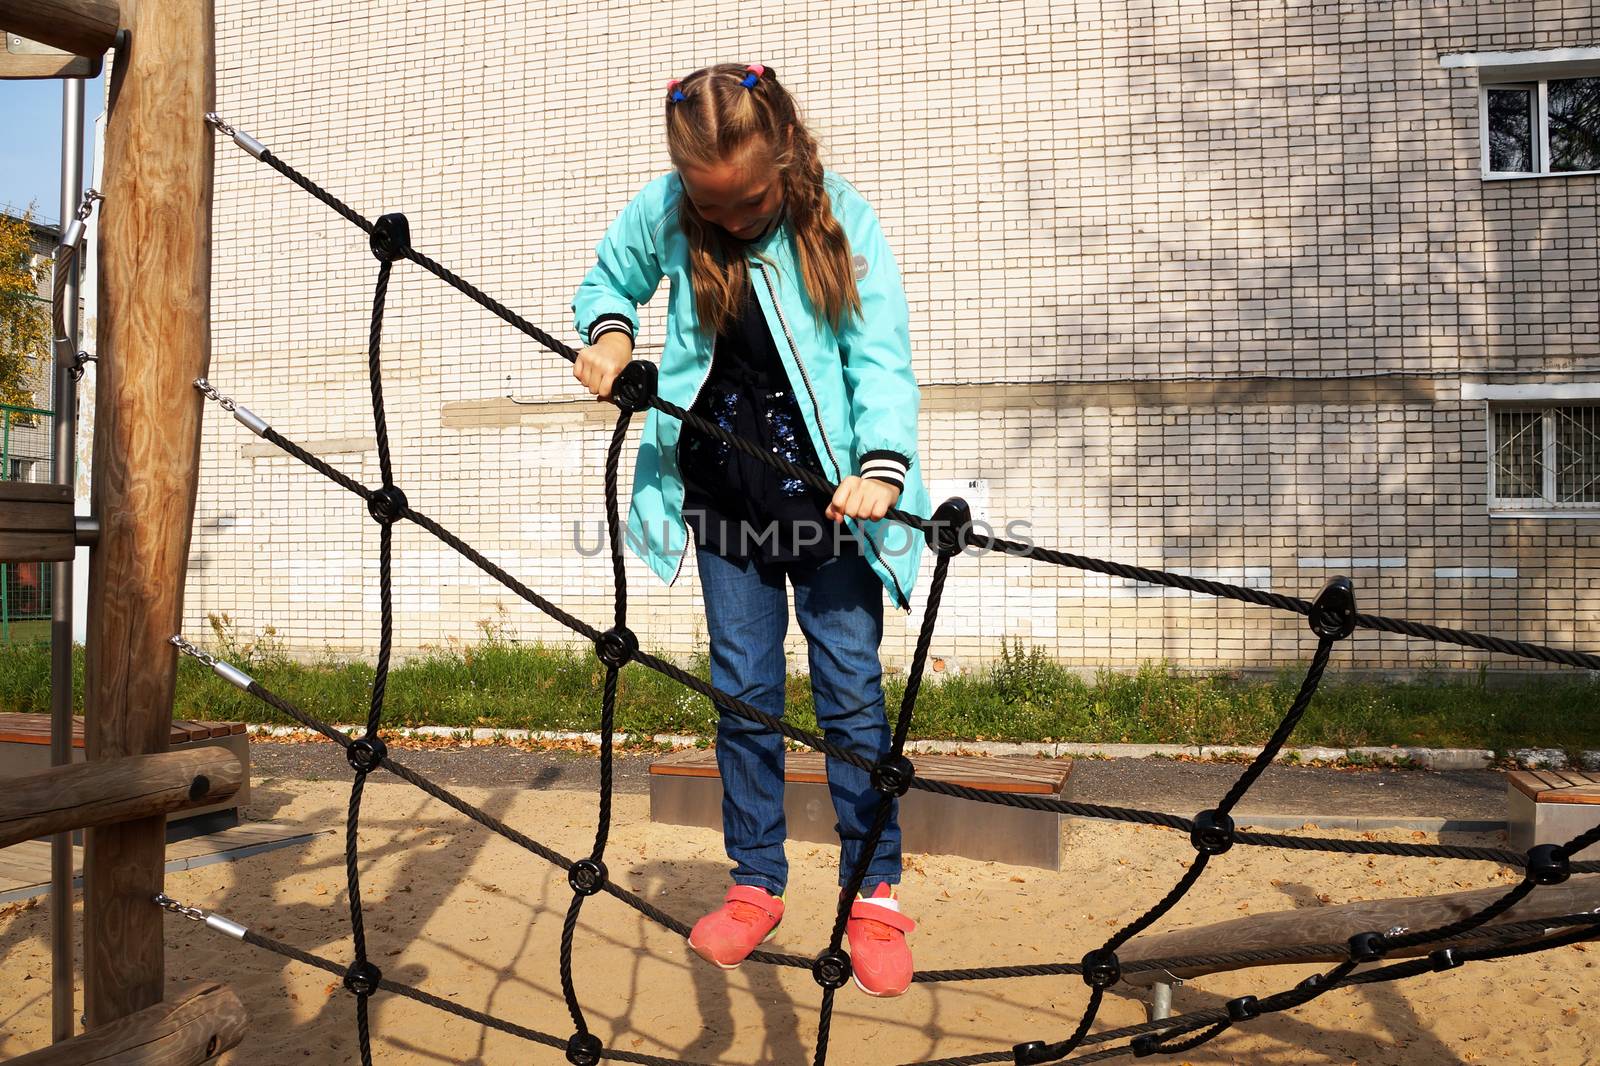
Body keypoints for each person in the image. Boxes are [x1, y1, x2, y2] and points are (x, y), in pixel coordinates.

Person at [570, 62, 930, 998]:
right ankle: (755, 881)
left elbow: (880, 356)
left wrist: (883, 467)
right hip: (723, 492)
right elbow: (612, 274)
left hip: (832, 499)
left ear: (787, 156)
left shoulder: (837, 219)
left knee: (849, 693)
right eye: (712, 202)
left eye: (751, 199)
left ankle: (873, 889)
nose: (733, 219)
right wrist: (610, 333)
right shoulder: (670, 209)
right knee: (743, 692)